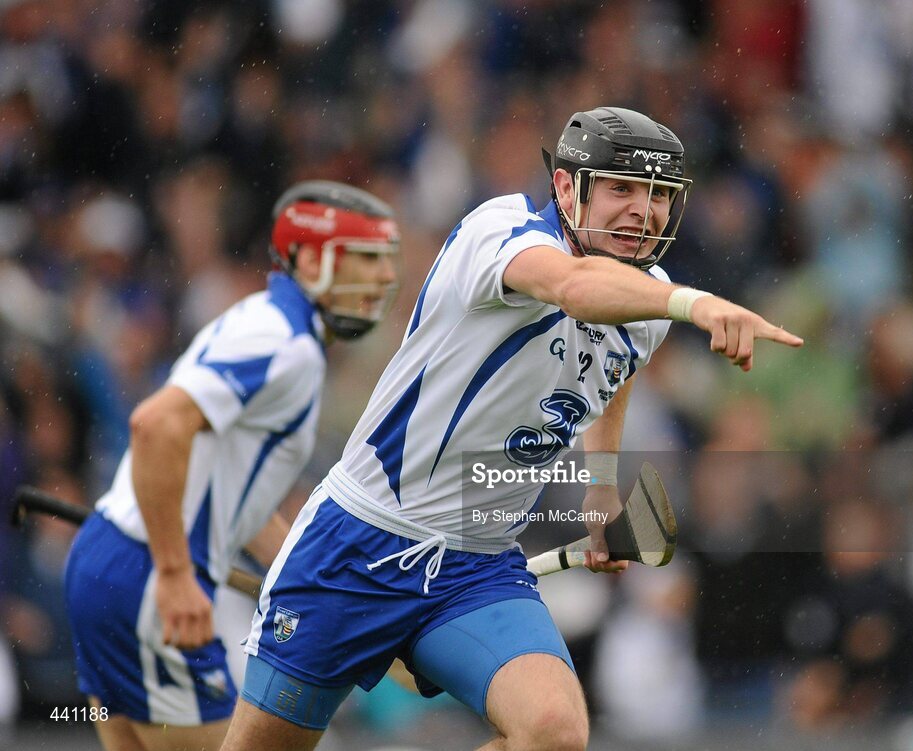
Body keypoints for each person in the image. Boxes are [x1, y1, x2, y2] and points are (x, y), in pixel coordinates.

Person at [220, 106, 803, 751]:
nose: (646, 210)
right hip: (357, 545)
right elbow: (576, 288)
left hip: (478, 566)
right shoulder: (501, 230)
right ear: (565, 187)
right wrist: (698, 303)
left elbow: (616, 366)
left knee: (553, 734)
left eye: (660, 195)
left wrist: (601, 487)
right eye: (622, 188)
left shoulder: (647, 301)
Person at [63, 180, 400, 751]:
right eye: (366, 259)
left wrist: (322, 590)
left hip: (112, 561)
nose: (384, 278)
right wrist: (173, 573)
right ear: (312, 259)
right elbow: (154, 426)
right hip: (149, 577)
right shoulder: (283, 342)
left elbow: (244, 507)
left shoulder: (269, 322)